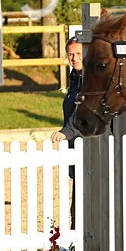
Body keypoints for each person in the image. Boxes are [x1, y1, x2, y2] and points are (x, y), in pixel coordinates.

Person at [52, 35, 84, 226]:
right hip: (76, 149)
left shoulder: (90, 81)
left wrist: (66, 132)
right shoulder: (75, 79)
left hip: (91, 147)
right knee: (77, 201)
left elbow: (84, 112)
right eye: (70, 54)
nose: (74, 58)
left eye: (79, 53)